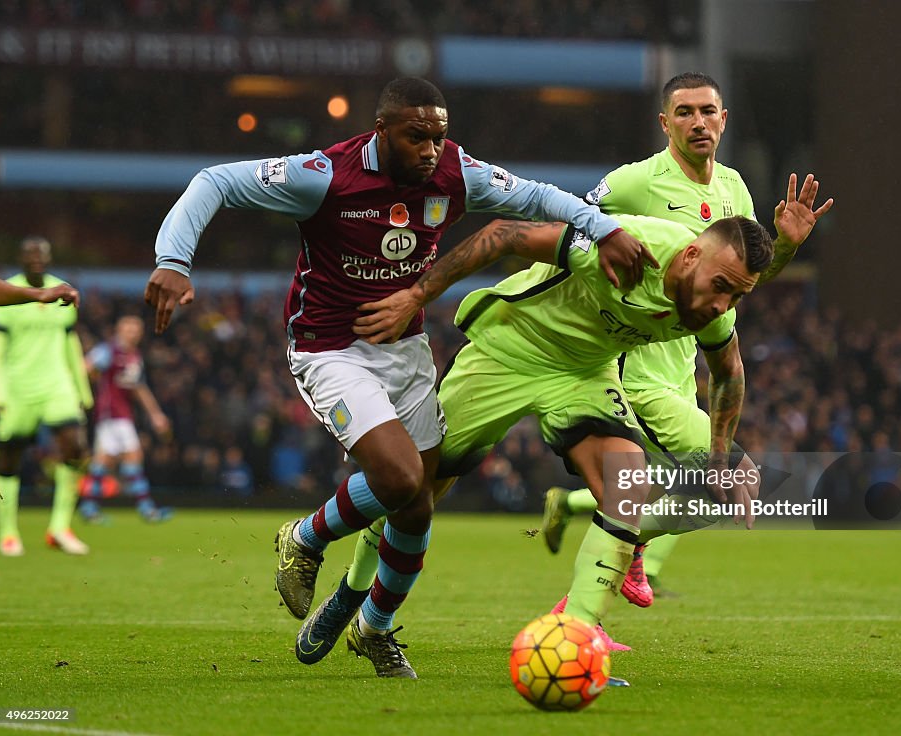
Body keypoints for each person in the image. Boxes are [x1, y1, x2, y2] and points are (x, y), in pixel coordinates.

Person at [144, 77, 652, 678]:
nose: (432, 149)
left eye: (440, 136)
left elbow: (540, 198)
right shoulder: (324, 174)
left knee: (416, 508)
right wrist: (173, 261)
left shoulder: (456, 173)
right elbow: (215, 181)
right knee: (403, 477)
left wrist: (605, 228)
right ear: (382, 131)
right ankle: (306, 537)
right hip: (330, 349)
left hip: (405, 351)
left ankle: (375, 629)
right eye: (418, 137)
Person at [300, 212, 773, 679]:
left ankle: (575, 642)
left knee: (627, 484)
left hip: (584, 373)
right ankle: (351, 590)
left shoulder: (715, 307)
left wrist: (717, 457)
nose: (722, 304)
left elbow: (729, 372)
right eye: (720, 285)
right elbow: (503, 235)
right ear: (690, 255)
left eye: (736, 295)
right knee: (413, 490)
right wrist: (417, 294)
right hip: (510, 349)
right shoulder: (629, 249)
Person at [542, 72, 833, 606]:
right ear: (664, 123)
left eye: (707, 111)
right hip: (629, 362)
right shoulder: (635, 182)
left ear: (724, 120)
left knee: (675, 493)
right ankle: (594, 598)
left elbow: (742, 281)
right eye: (684, 112)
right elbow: (571, 231)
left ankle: (599, 587)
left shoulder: (735, 190)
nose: (697, 122)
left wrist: (786, 249)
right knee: (727, 481)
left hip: (684, 368)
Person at [0, 236, 92, 557]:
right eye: (30, 254)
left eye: (42, 254)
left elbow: (69, 344)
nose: (36, 259)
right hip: (17, 386)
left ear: (50, 258)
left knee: (75, 446)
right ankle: (8, 533)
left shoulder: (63, 290)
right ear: (20, 258)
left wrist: (81, 390)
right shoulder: (7, 292)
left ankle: (60, 528)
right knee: (9, 457)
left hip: (56, 384)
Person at [77, 315, 173, 524]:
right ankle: (145, 508)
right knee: (130, 457)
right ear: (119, 330)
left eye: (136, 330)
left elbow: (138, 388)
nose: (133, 333)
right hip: (111, 414)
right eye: (129, 329)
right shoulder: (108, 350)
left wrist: (155, 414)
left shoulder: (133, 356)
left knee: (105, 461)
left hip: (122, 414)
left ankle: (89, 507)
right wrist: (84, 392)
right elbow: (85, 367)